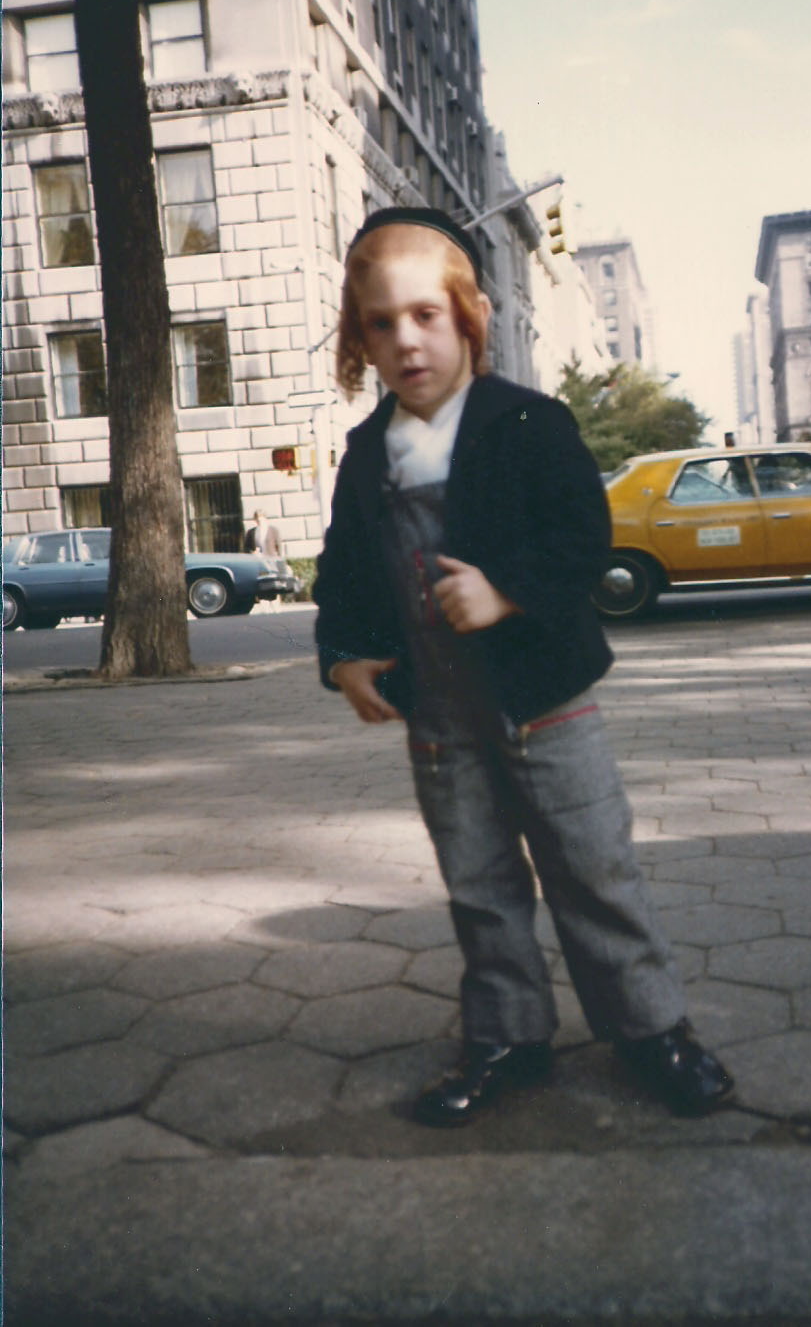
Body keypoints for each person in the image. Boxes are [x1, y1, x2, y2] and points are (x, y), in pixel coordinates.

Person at [313, 207, 734, 1127]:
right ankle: (508, 1032)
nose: (407, 340)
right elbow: (342, 573)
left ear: (469, 316)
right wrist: (346, 659)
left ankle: (652, 1029)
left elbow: (582, 538)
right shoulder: (363, 456)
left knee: (593, 866)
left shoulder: (528, 423)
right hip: (440, 716)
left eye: (427, 315)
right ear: (360, 339)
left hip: (546, 702)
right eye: (381, 324)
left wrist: (505, 591)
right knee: (479, 879)